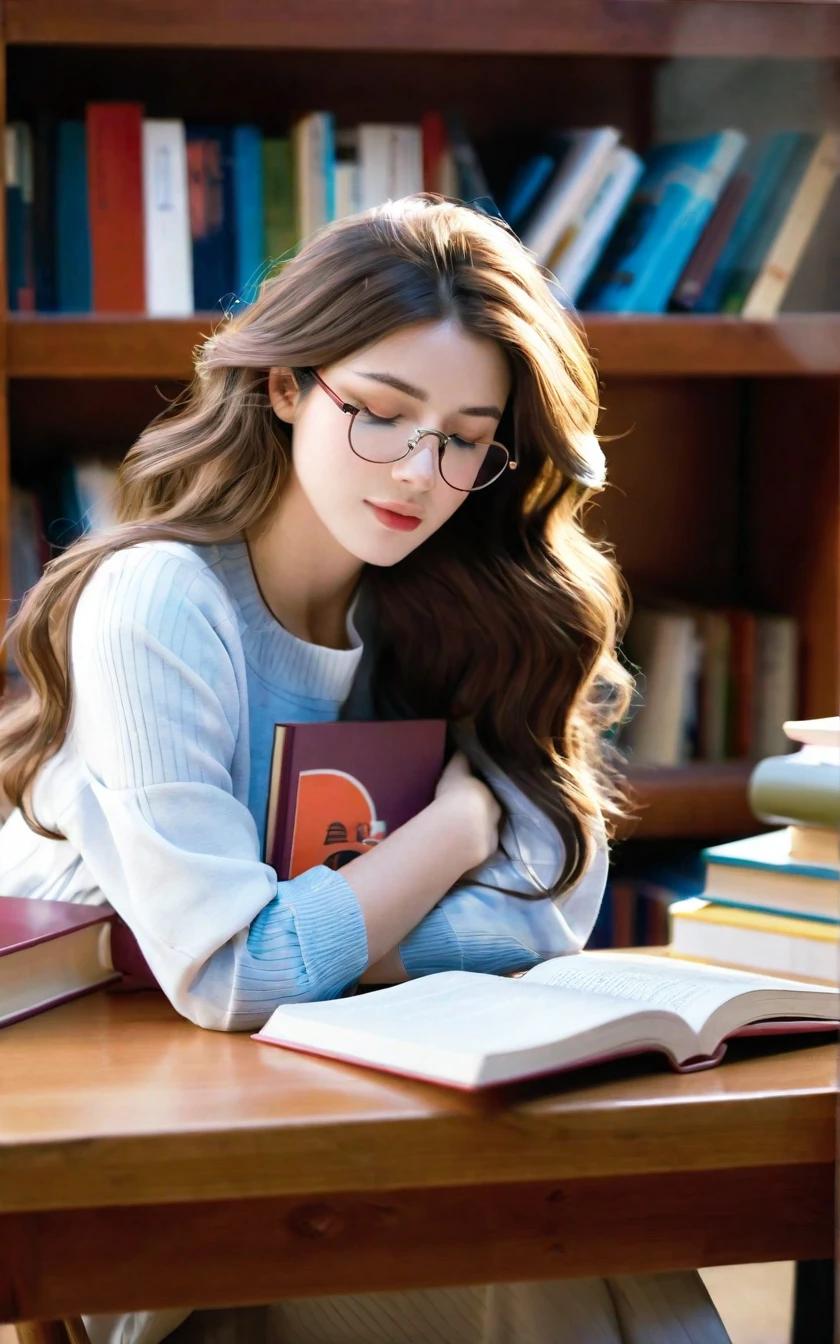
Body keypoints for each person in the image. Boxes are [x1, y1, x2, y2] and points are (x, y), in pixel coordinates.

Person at [0, 194, 730, 1344]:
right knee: (560, 1265)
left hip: (351, 1112)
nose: (417, 472)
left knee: (592, 1254)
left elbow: (543, 926)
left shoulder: (456, 609)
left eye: (465, 438)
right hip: (138, 1166)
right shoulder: (161, 603)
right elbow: (238, 977)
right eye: (381, 415)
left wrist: (316, 937)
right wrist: (445, 839)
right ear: (288, 386)